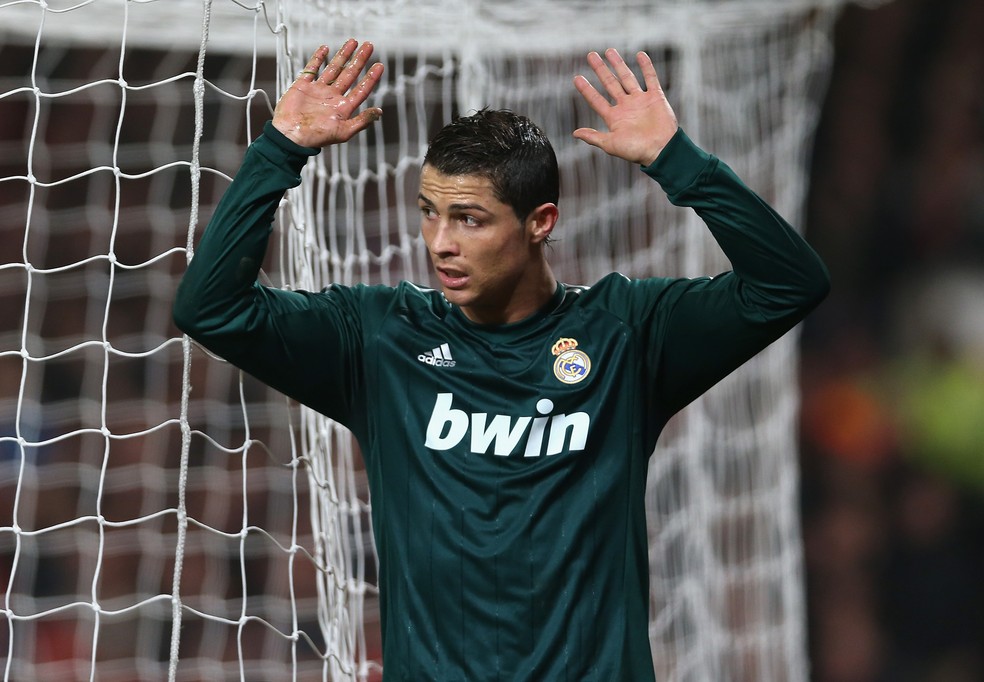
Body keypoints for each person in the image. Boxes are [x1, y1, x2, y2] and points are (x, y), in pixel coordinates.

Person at [173, 38, 829, 681]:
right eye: (429, 213)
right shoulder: (377, 340)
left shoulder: (627, 335)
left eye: (469, 219)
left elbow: (789, 285)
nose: (440, 243)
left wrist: (678, 161)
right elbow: (210, 309)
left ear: (540, 221)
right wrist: (278, 151)